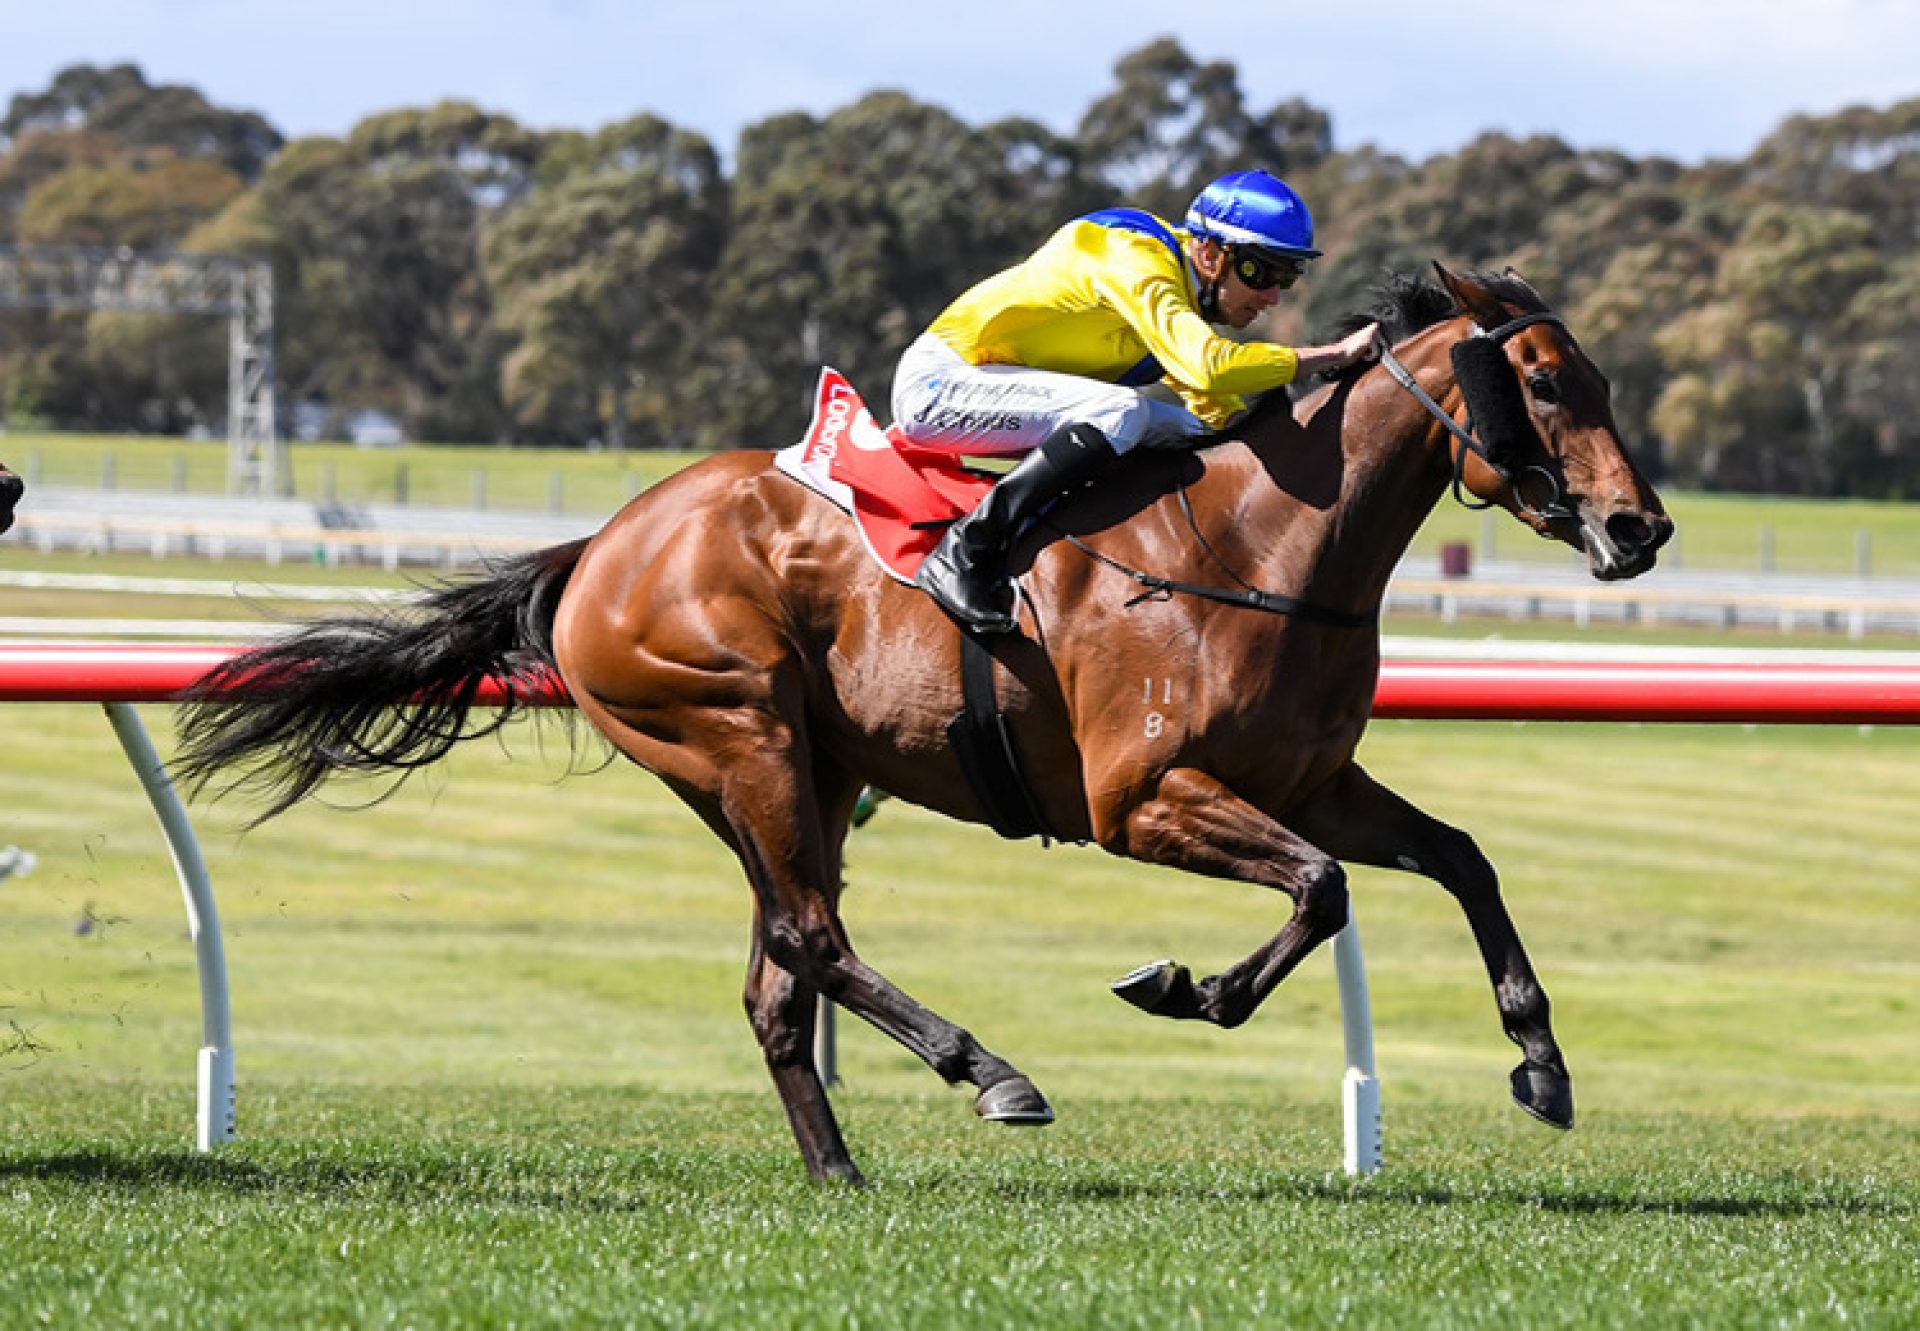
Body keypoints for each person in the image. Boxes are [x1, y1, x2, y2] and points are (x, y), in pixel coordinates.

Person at [893, 169, 1386, 634]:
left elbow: (1221, 414)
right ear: (1210, 255)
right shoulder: (1136, 261)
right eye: (1262, 273)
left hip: (996, 387)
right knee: (1121, 412)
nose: (1273, 297)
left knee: (1197, 436)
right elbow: (1208, 367)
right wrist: (1329, 355)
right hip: (941, 387)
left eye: (1288, 278)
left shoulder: (1178, 303)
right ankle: (966, 551)